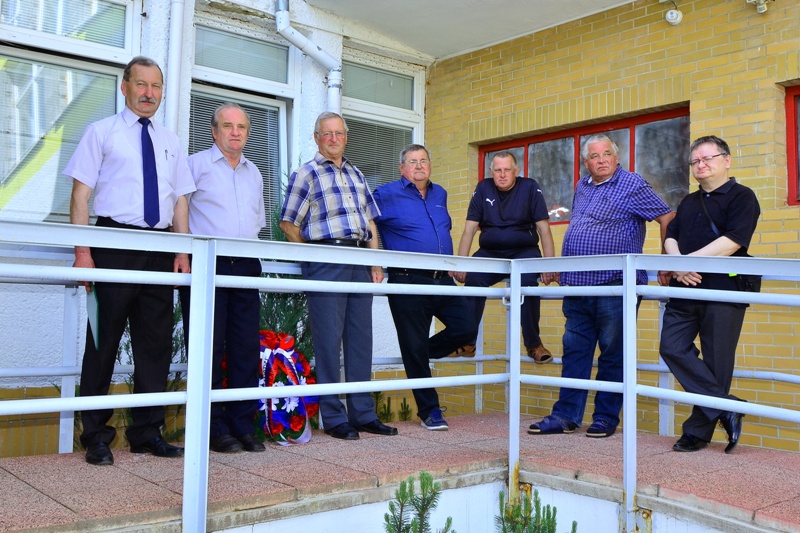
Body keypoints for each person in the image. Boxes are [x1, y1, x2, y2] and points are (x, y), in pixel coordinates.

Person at [64, 56, 195, 465]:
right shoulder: (101, 132)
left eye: (156, 86)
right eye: (141, 84)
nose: (148, 93)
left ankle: (147, 433)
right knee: (102, 343)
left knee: (155, 345)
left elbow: (180, 201)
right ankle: (95, 436)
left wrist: (182, 251)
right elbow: (80, 195)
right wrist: (83, 252)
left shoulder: (171, 141)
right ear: (125, 87)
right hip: (113, 243)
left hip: (160, 248)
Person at [528, 134, 673, 438]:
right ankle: (566, 416)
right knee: (575, 352)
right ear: (586, 162)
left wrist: (666, 260)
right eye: (594, 156)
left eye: (607, 154)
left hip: (614, 285)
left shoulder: (632, 184)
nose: (601, 160)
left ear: (616, 158)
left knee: (613, 353)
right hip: (578, 286)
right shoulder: (582, 186)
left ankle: (605, 418)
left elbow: (667, 216)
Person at [279, 111, 397, 440]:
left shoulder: (357, 174)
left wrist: (376, 262)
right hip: (326, 258)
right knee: (328, 340)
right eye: (327, 133)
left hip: (359, 258)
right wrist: (312, 256)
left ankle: (363, 413)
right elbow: (288, 222)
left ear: (346, 137)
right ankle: (333, 417)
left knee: (361, 339)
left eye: (339, 133)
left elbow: (370, 222)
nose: (333, 139)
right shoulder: (306, 173)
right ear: (317, 138)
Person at [658, 136, 760, 454]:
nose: (700, 165)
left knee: (717, 363)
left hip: (723, 291)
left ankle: (697, 433)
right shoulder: (689, 201)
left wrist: (688, 263)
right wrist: (679, 265)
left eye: (707, 158)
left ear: (726, 160)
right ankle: (727, 407)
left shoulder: (743, 197)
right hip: (684, 289)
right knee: (671, 347)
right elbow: (670, 235)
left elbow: (733, 241)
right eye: (695, 161)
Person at [179, 103, 267, 453]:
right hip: (207, 264)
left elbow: (257, 222)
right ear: (214, 131)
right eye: (227, 126)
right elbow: (179, 211)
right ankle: (213, 429)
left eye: (241, 127)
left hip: (245, 264)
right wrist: (182, 254)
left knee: (245, 349)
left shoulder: (254, 172)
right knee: (208, 349)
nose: (235, 132)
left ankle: (243, 426)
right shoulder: (195, 165)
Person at [372, 144, 478, 431]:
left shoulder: (439, 193)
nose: (419, 166)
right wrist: (374, 261)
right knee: (414, 346)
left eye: (423, 161)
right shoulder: (385, 194)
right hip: (407, 279)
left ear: (430, 165)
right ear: (401, 168)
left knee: (466, 327)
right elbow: (366, 222)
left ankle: (417, 353)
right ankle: (430, 411)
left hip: (441, 278)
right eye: (412, 161)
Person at [454, 151, 557, 363]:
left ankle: (534, 345)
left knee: (527, 284)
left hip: (524, 250)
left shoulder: (530, 187)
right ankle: (467, 342)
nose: (502, 175)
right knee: (473, 279)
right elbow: (469, 230)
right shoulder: (483, 188)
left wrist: (549, 265)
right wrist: (461, 264)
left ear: (516, 171)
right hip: (490, 252)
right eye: (497, 170)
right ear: (491, 171)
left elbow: (544, 229)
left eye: (507, 170)